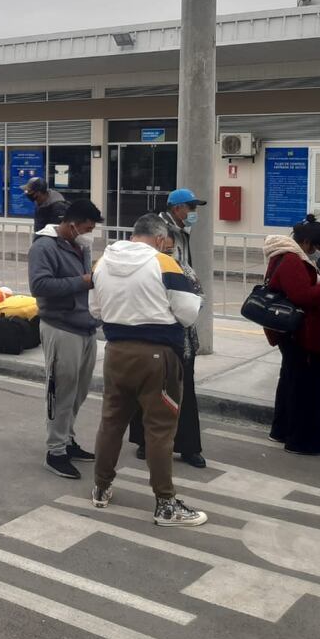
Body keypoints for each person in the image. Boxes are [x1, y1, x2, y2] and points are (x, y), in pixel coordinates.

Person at [88, 213, 207, 527]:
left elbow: (95, 309)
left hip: (116, 353)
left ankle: (101, 487)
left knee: (111, 422)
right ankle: (165, 504)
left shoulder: (102, 263)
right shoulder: (165, 264)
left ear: (133, 235)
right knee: (160, 429)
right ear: (160, 238)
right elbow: (188, 314)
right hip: (158, 356)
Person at [128, 188, 208, 469]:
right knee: (149, 386)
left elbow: (196, 296)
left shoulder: (183, 238)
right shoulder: (157, 228)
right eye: (190, 207)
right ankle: (144, 440)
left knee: (183, 388)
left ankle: (188, 445)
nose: (193, 212)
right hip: (153, 330)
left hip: (180, 333)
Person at [29, 199, 104, 479]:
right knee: (61, 390)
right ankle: (55, 451)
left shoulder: (80, 245)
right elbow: (39, 285)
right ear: (72, 224)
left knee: (79, 391)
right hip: (61, 327)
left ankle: (67, 439)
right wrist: (82, 281)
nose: (89, 234)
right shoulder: (44, 247)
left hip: (85, 326)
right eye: (87, 228)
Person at [263, 216, 320, 455]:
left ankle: (282, 430)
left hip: (291, 332)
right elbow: (302, 296)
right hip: (302, 332)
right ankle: (301, 441)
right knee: (306, 387)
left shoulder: (283, 255)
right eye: (317, 246)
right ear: (306, 242)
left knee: (291, 380)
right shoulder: (292, 260)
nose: (317, 252)